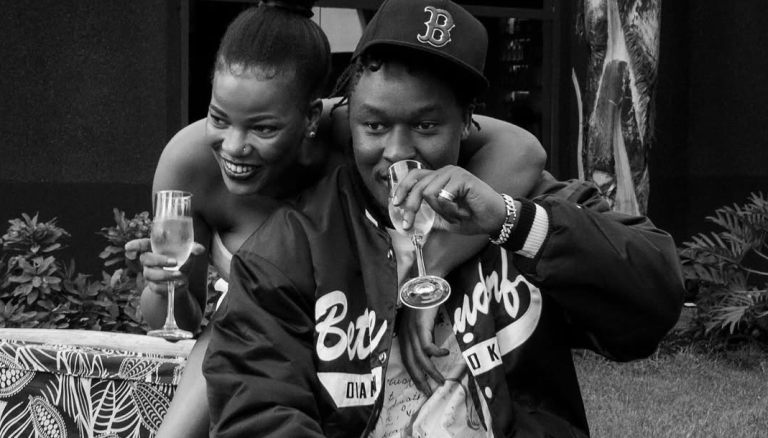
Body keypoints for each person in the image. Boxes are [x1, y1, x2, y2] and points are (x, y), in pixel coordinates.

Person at [202, 0, 685, 437]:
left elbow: (654, 300)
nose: (397, 152)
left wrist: (511, 222)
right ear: (347, 120)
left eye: (425, 125)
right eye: (374, 125)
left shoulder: (525, 205)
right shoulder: (294, 246)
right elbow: (257, 409)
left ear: (468, 120)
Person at [125, 1, 545, 437]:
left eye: (264, 128)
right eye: (218, 118)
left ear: (311, 116)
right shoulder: (188, 165)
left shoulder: (367, 131)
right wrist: (166, 286)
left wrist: (431, 269)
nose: (234, 146)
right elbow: (179, 321)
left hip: (355, 324)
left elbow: (523, 151)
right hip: (259, 333)